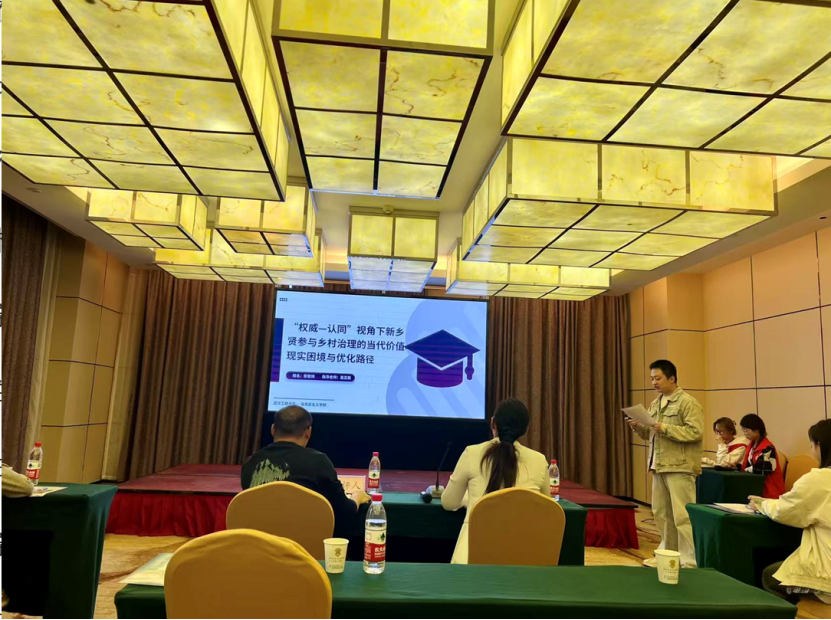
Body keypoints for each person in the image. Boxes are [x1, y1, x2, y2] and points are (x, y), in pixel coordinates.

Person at [441, 398, 549, 564]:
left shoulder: (472, 453)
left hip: (470, 559)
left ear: (493, 423)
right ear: (525, 430)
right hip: (524, 560)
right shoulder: (539, 461)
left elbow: (449, 502)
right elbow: (546, 508)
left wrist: (471, 499)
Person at [240, 406, 371, 533]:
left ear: (273, 429)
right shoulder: (318, 462)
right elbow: (344, 511)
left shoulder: (250, 463)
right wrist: (357, 497)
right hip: (305, 544)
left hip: (259, 542)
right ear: (308, 432)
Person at [629, 359, 703, 568]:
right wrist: (638, 426)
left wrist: (665, 428)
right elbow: (650, 434)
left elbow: (695, 432)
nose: (654, 382)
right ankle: (667, 556)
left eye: (658, 378)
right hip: (659, 465)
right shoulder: (655, 403)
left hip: (680, 467)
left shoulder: (687, 403)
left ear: (672, 378)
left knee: (682, 516)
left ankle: (689, 560)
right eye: (652, 378)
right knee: (661, 514)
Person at [750, 420, 831, 605]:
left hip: (826, 575)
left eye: (812, 445)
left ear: (820, 446)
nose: (811, 451)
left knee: (770, 576)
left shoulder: (818, 480)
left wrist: (761, 504)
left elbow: (785, 511)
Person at [740, 413, 785, 499]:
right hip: (757, 486)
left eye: (746, 430)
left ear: (756, 430)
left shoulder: (768, 447)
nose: (745, 434)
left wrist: (745, 470)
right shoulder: (751, 445)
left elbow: (762, 469)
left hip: (770, 490)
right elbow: (748, 465)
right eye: (743, 431)